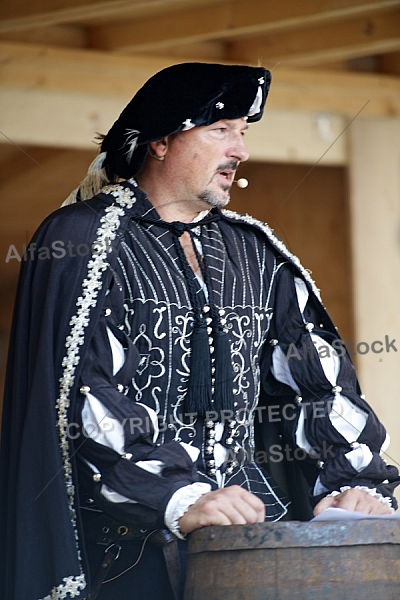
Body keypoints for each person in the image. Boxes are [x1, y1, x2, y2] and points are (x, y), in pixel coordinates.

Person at [0, 63, 398, 600]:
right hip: (121, 559)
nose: (241, 151)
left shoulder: (256, 252)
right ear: (161, 140)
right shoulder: (84, 237)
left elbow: (320, 380)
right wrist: (179, 498)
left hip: (253, 550)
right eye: (221, 130)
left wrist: (357, 482)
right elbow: (86, 397)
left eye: (243, 132)